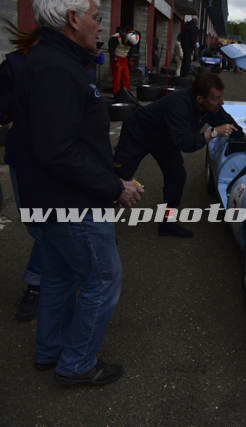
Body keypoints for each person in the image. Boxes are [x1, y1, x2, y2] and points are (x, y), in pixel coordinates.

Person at [12, 0, 144, 385]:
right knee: (103, 280)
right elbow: (58, 150)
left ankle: (50, 351)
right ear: (73, 19)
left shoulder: (51, 61)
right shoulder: (57, 69)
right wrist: (114, 187)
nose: (100, 26)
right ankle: (76, 364)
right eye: (96, 18)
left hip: (50, 200)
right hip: (72, 203)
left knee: (59, 276)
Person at [114, 72, 246, 238]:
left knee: (177, 177)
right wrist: (213, 133)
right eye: (216, 99)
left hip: (166, 138)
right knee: (118, 178)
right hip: (138, 134)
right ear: (200, 99)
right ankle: (100, 225)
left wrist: (242, 135)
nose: (221, 102)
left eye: (221, 97)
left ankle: (167, 223)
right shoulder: (178, 105)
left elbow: (224, 119)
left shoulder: (211, 106)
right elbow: (186, 144)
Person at [1, 24, 43, 322]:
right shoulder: (14, 66)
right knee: (39, 228)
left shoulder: (80, 65)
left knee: (52, 226)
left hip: (65, 162)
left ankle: (37, 284)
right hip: (26, 160)